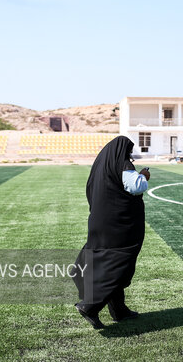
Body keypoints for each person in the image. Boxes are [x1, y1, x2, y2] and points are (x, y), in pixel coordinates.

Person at [72, 136, 150, 329]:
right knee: (118, 264)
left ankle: (119, 309)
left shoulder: (101, 167)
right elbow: (135, 186)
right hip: (118, 225)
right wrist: (143, 176)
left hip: (101, 222)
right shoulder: (123, 165)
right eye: (128, 152)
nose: (129, 156)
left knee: (108, 259)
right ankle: (89, 306)